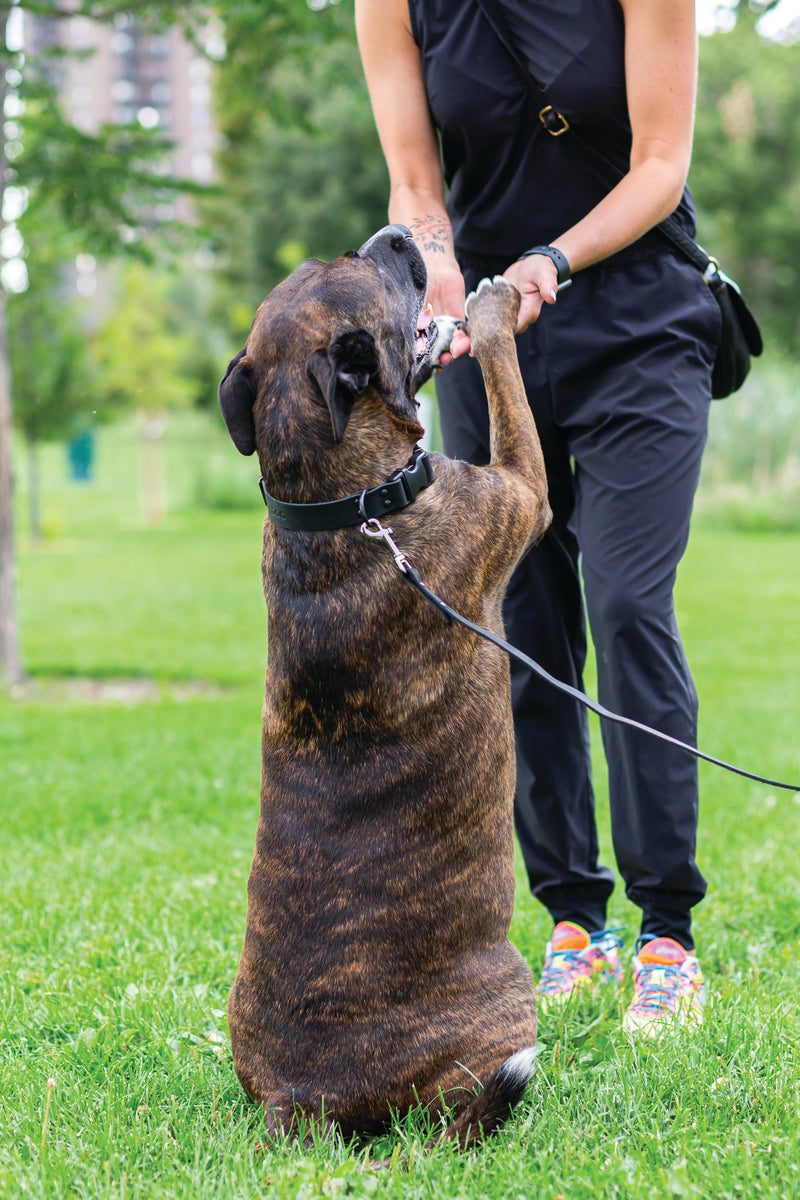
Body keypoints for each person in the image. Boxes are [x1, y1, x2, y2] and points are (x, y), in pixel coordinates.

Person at [356, 0, 718, 1037]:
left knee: (624, 600)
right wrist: (431, 258)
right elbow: (417, 182)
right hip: (488, 336)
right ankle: (574, 921)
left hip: (639, 319)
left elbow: (659, 168)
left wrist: (549, 261)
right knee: (524, 627)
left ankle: (664, 935)